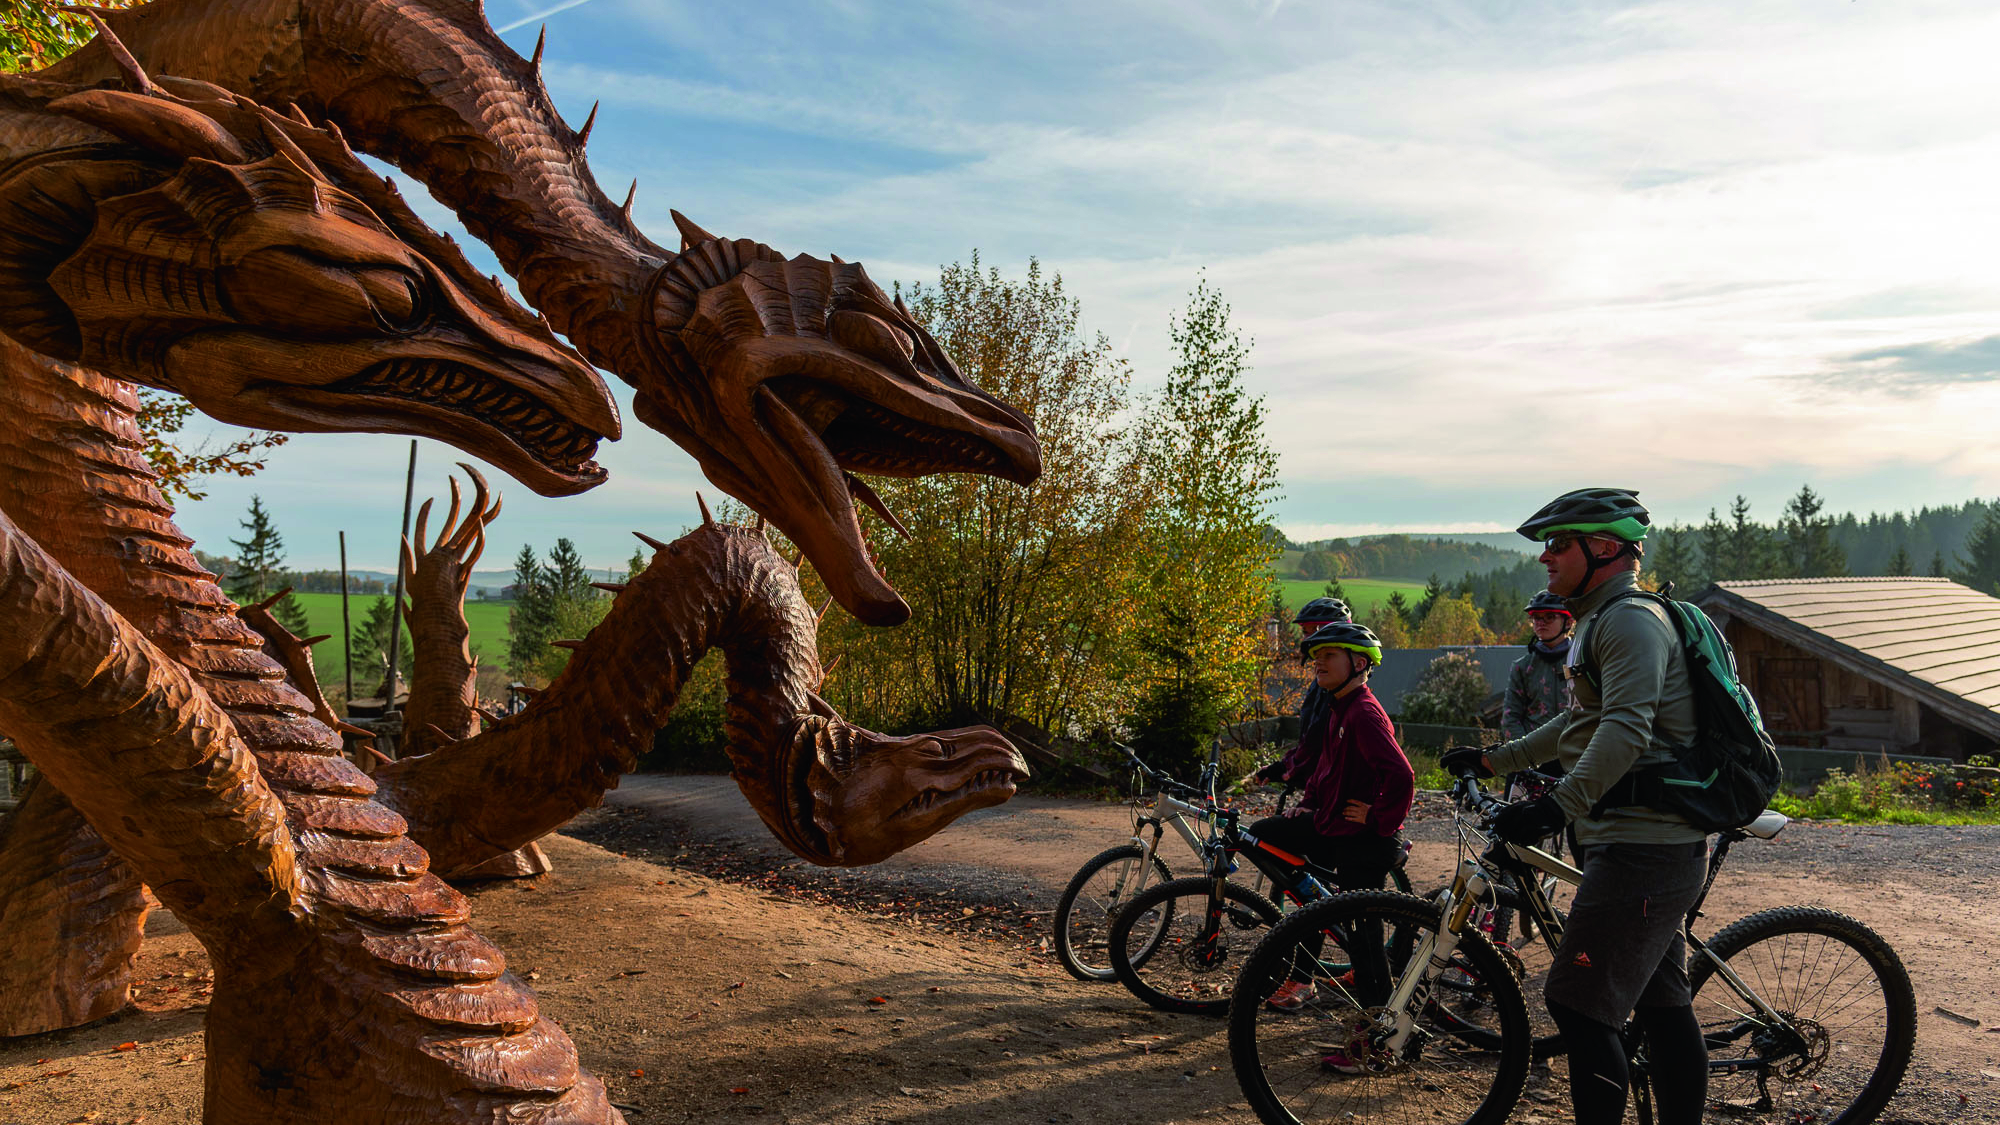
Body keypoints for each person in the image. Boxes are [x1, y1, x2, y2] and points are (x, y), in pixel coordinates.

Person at [1441, 487, 1709, 1125]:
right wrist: (1493, 759)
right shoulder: (1601, 621)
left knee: (1576, 1002)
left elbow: (1626, 729)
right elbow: (1580, 723)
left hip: (1647, 846)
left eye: (1559, 545)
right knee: (1661, 1002)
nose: (1546, 558)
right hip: (1634, 840)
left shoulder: (1631, 621)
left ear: (1607, 548)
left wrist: (1556, 807)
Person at [1252, 621, 1414, 1039]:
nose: (1317, 663)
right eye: (1316, 657)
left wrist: (1377, 817)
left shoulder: (1363, 712)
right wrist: (1308, 807)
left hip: (1365, 841)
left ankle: (1383, 1031)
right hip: (1334, 827)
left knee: (1365, 942)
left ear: (1358, 663)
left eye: (1328, 656)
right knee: (1261, 835)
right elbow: (1327, 772)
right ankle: (1315, 900)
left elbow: (1401, 775)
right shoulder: (1340, 707)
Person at [1249, 596, 1352, 791]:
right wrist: (1283, 767)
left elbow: (1318, 743)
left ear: (1324, 633)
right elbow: (1310, 741)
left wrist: (1289, 770)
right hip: (1321, 789)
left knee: (1263, 824)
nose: (1303, 640)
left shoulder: (1336, 692)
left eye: (1306, 632)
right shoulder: (1322, 685)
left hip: (1331, 793)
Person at [1502, 590, 1573, 741]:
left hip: (1577, 756)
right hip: (1536, 757)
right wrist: (1524, 758)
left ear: (1568, 622)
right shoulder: (1522, 667)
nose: (1541, 622)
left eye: (1549, 617)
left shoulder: (1583, 660)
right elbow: (1511, 719)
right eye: (1536, 618)